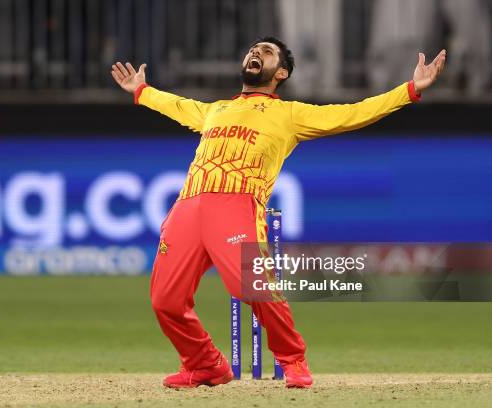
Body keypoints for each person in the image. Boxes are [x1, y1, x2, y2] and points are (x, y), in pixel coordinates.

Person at [111, 36, 445, 389]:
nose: (256, 52)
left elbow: (353, 113)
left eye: (266, 52)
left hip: (237, 204)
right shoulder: (215, 109)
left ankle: (293, 360)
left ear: (280, 72)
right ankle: (205, 364)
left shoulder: (290, 114)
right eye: (253, 49)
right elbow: (177, 104)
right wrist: (142, 91)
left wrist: (409, 90)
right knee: (165, 300)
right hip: (188, 205)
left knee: (257, 289)